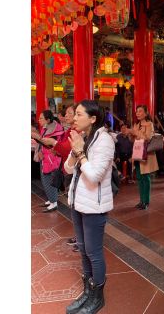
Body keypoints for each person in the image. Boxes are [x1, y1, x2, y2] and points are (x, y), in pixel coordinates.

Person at [63, 100, 115, 314]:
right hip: (78, 202)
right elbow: (67, 169)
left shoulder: (104, 141)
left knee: (93, 252)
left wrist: (81, 153)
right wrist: (76, 151)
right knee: (83, 250)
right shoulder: (83, 137)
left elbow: (93, 177)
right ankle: (87, 292)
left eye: (78, 114)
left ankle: (97, 298)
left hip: (94, 206)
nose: (74, 118)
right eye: (74, 114)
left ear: (93, 119)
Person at [39, 104, 79, 251]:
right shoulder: (70, 130)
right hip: (68, 169)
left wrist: (55, 144)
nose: (66, 116)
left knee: (78, 207)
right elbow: (63, 149)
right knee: (74, 207)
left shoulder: (77, 132)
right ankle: (79, 236)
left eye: (70, 113)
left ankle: (82, 240)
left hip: (75, 171)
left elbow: (67, 149)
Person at [32, 110, 64, 212]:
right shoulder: (46, 128)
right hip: (45, 158)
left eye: (41, 118)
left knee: (50, 180)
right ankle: (51, 200)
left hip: (51, 159)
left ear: (48, 120)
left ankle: (54, 202)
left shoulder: (56, 129)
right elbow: (43, 143)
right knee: (45, 179)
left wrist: (37, 137)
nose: (39, 120)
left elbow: (50, 145)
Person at [129, 105, 159, 210]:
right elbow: (134, 140)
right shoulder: (136, 124)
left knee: (146, 178)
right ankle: (141, 201)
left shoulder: (149, 124)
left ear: (146, 113)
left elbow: (147, 138)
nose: (137, 113)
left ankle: (146, 201)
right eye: (136, 111)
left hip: (146, 155)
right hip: (137, 153)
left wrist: (135, 132)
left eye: (140, 111)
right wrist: (130, 135)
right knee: (139, 178)